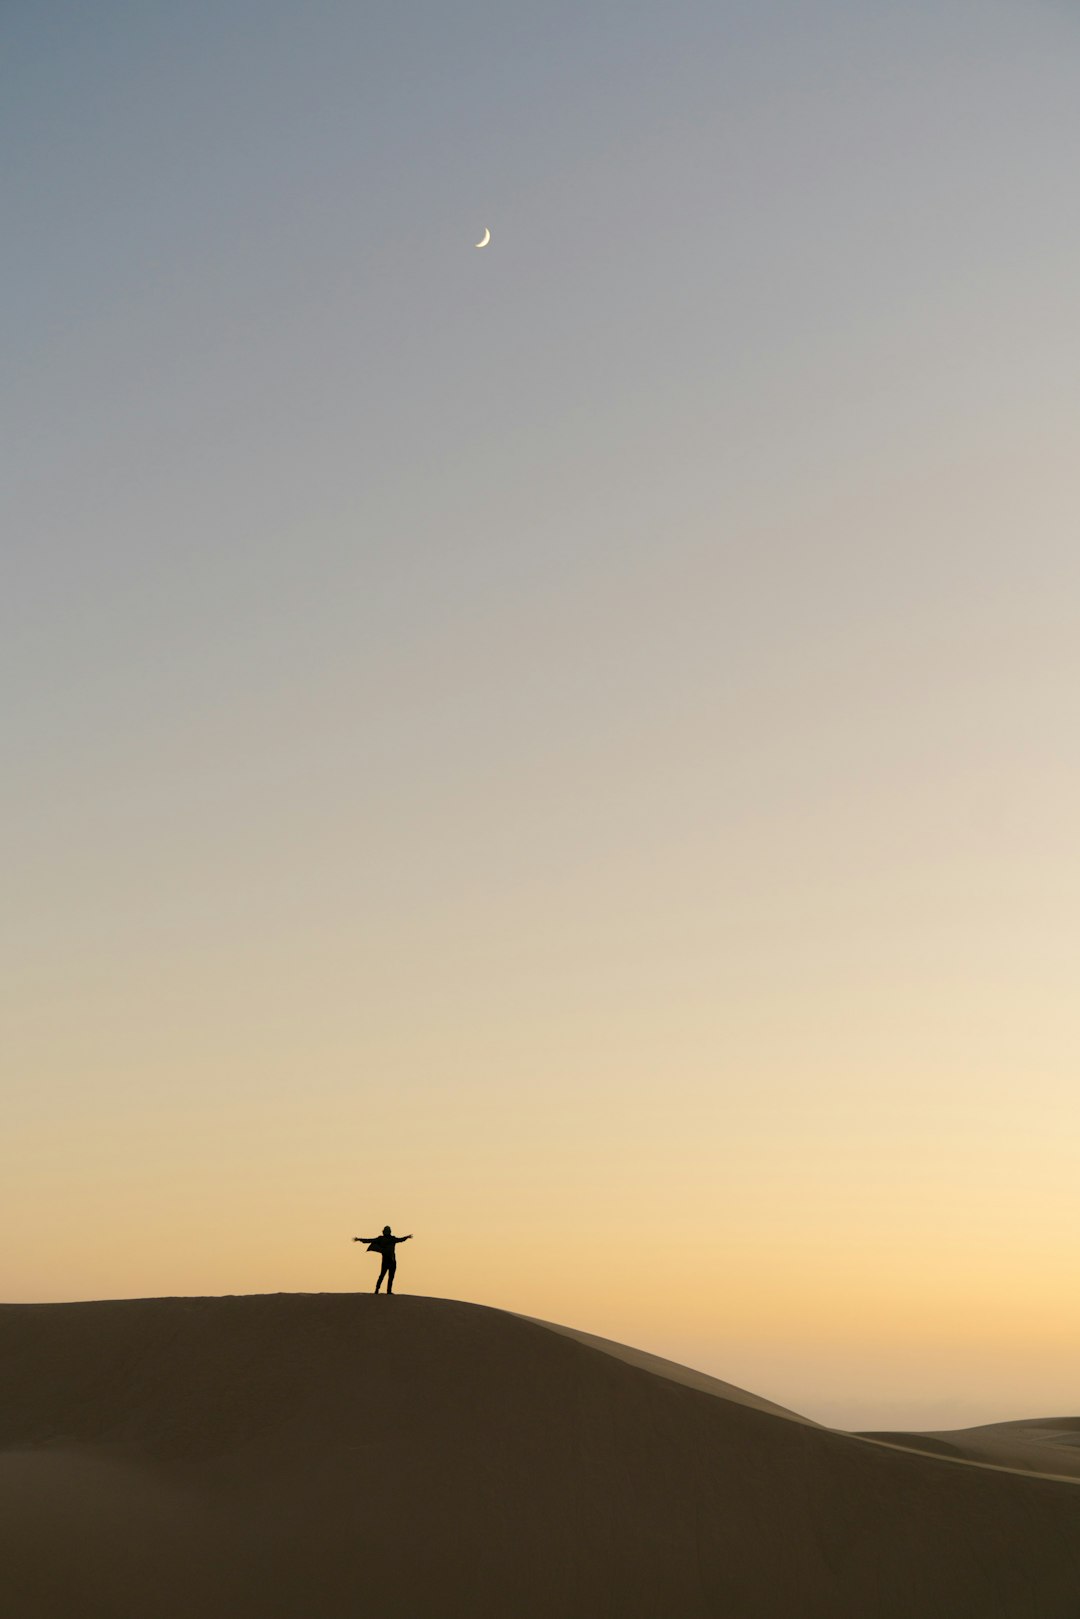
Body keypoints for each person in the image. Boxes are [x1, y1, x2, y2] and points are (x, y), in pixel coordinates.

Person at [353, 1225, 412, 1294]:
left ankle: (381, 1290)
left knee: (385, 1276)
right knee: (386, 1276)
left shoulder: (385, 1239)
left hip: (390, 1260)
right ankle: (382, 1290)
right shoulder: (387, 1239)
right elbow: (400, 1240)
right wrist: (406, 1237)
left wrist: (359, 1239)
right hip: (389, 1260)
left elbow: (369, 1240)